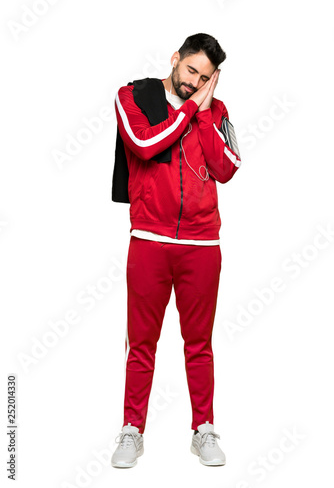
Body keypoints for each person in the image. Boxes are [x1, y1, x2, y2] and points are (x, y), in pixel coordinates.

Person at [111, 33, 241, 468]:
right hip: (150, 238)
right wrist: (189, 108)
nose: (193, 82)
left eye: (204, 78)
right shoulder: (133, 96)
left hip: (203, 243)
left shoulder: (216, 112)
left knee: (199, 342)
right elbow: (145, 144)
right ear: (175, 59)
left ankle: (202, 429)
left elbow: (227, 169)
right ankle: (132, 430)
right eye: (190, 71)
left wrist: (204, 113)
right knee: (142, 342)